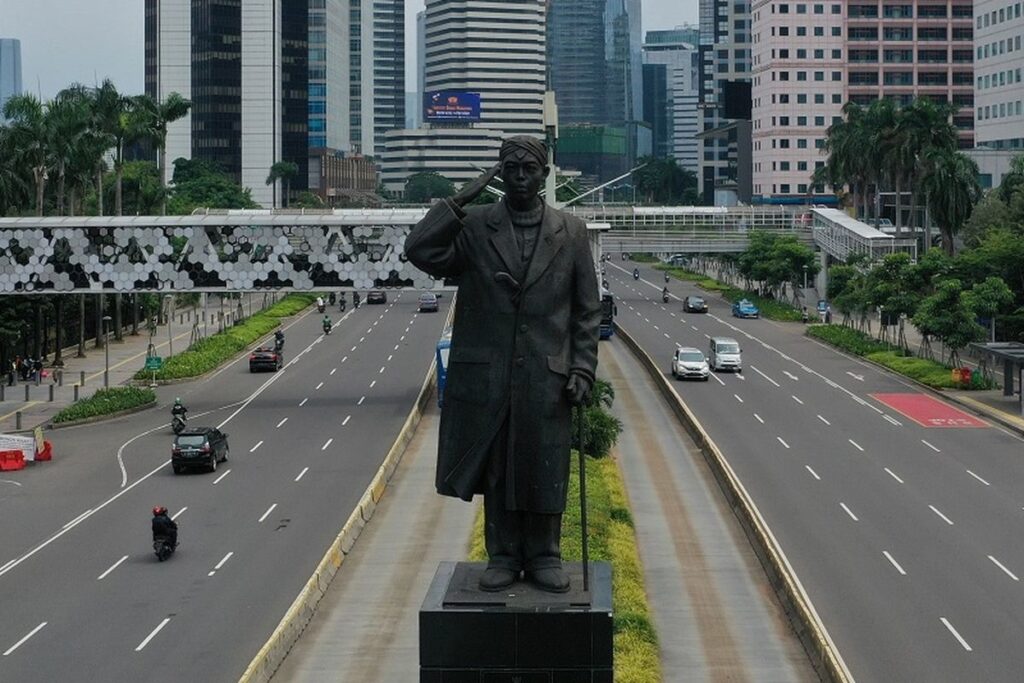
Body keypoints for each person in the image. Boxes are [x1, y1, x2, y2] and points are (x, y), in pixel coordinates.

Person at [405, 135, 600, 594]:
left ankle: (545, 553)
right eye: (510, 169)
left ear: (544, 175)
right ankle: (504, 554)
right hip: (489, 376)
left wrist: (583, 368)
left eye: (528, 169)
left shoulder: (571, 231)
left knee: (545, 464)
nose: (519, 177)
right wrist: (457, 201)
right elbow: (419, 250)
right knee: (498, 468)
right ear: (498, 175)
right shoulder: (474, 227)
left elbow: (586, 310)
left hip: (546, 376)